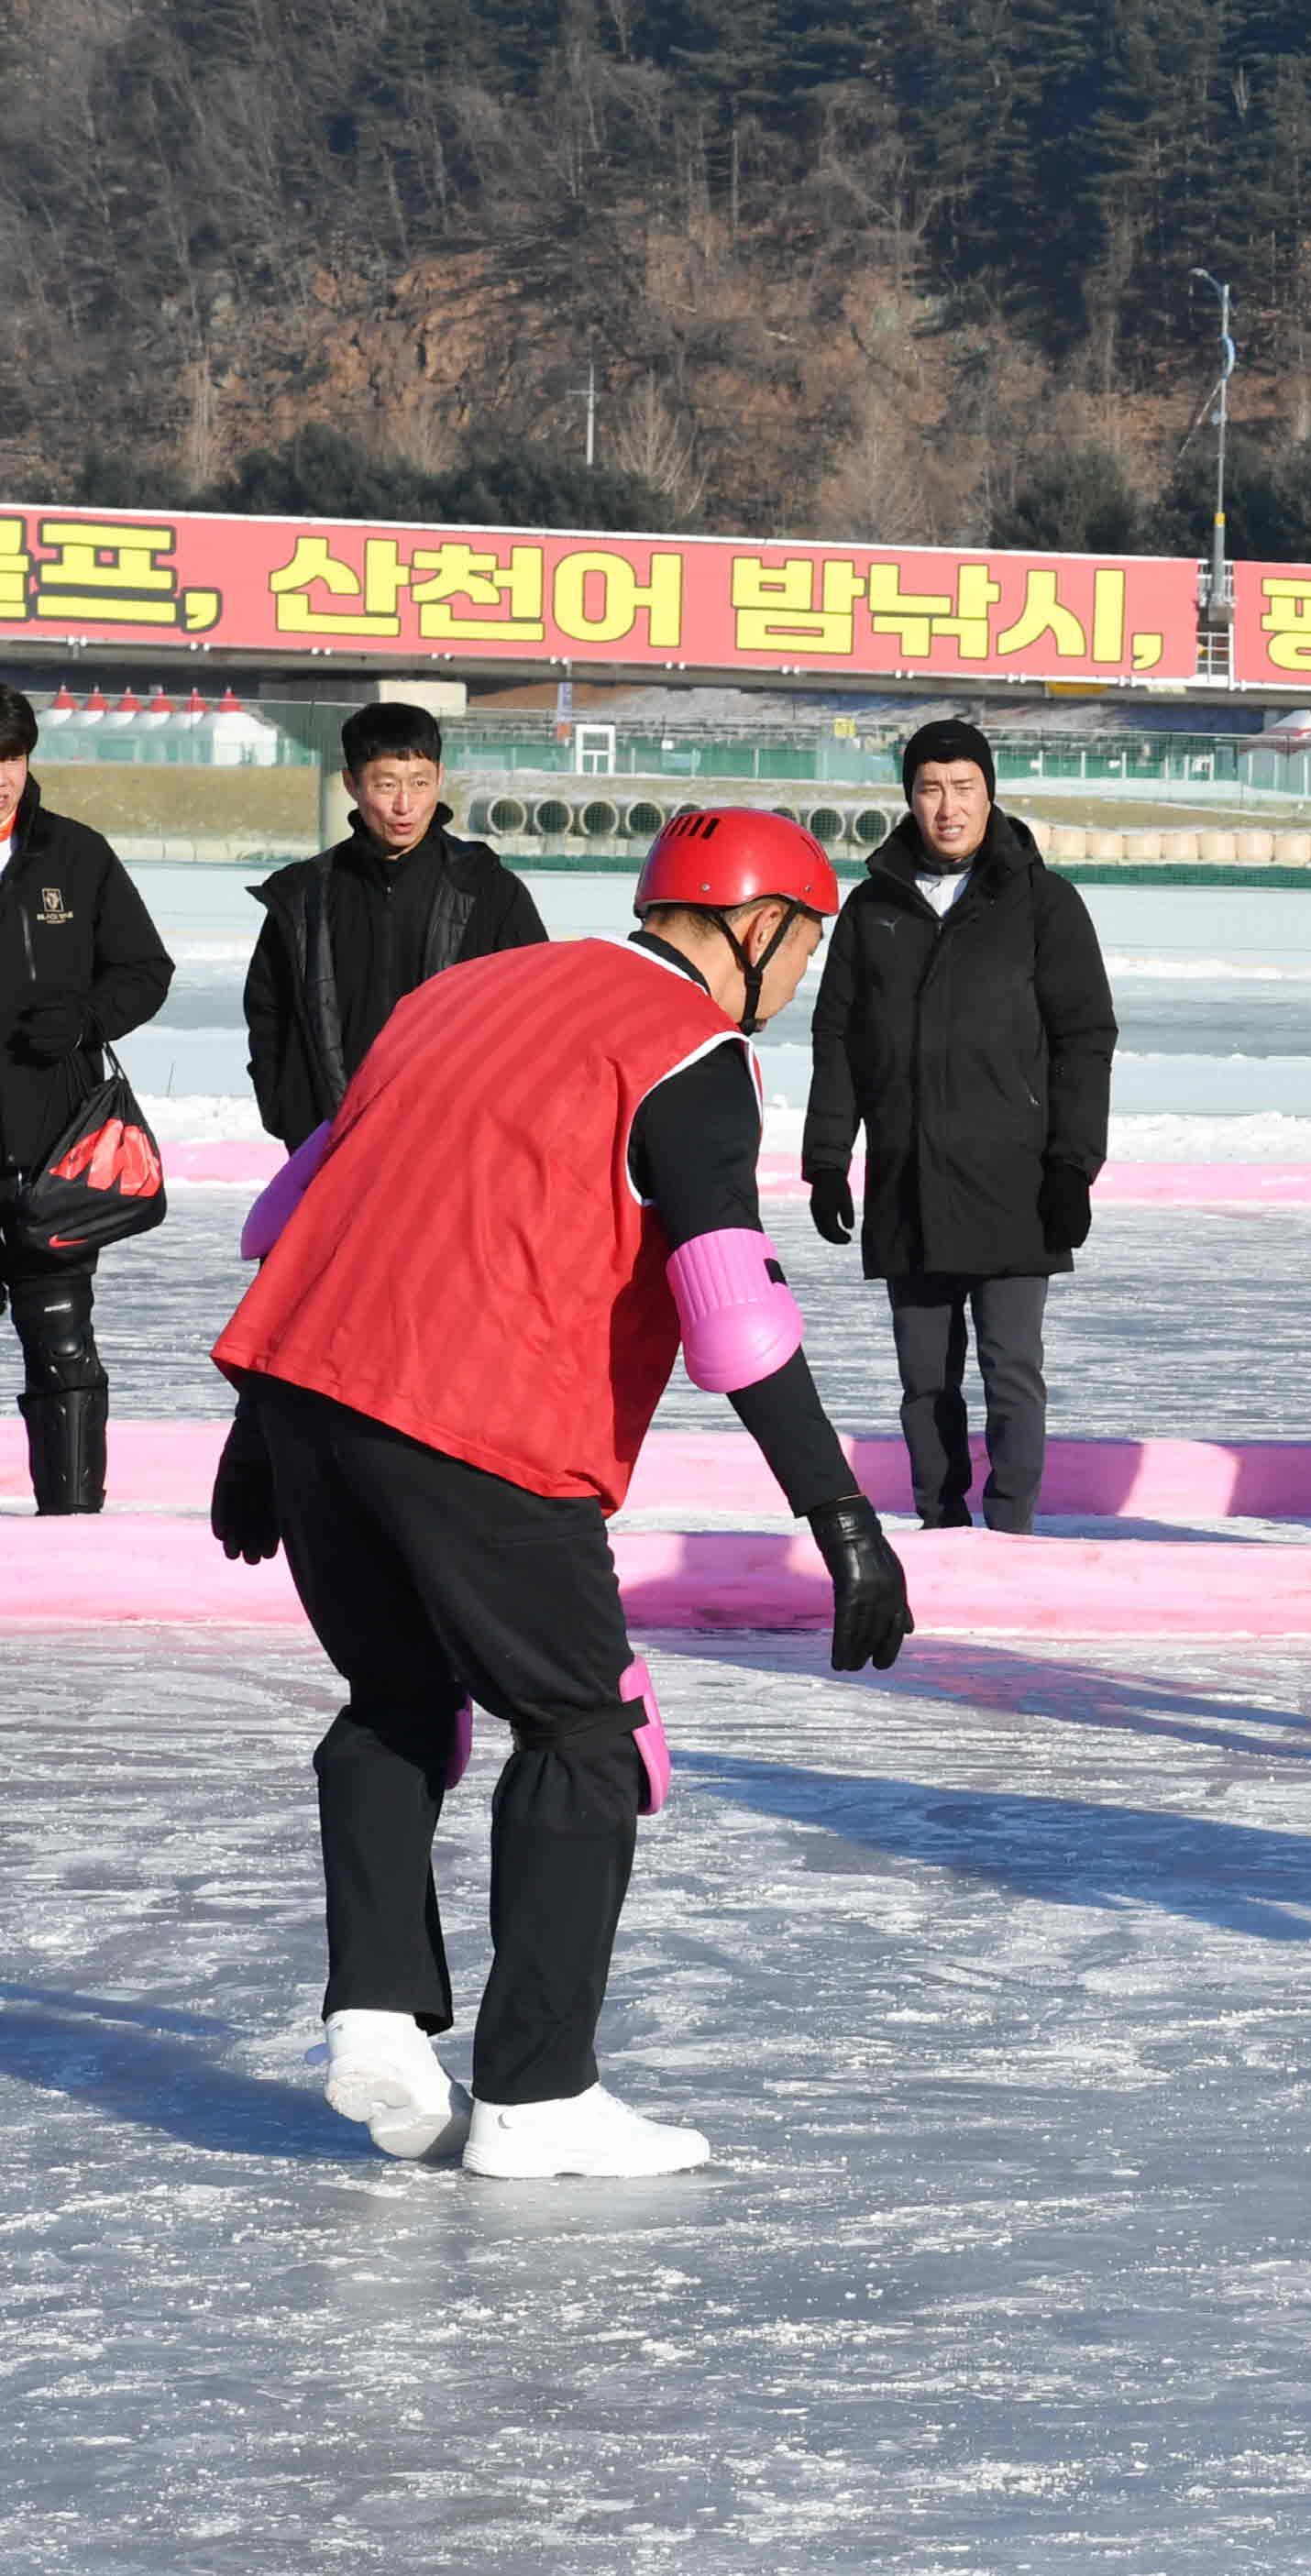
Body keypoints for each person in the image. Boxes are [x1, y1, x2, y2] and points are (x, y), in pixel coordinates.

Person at [211, 809, 915, 2180]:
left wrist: (258, 1430)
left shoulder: (464, 991)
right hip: (479, 1424)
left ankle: (377, 2015)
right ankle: (538, 2095)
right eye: (808, 947)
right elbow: (733, 1315)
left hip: (310, 1388)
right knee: (588, 1731)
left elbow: (303, 1208)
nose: (802, 979)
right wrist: (841, 1518)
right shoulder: (692, 1055)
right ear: (757, 925)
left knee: (397, 1698)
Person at [801, 718, 1118, 1533]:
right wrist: (828, 1160)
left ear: (990, 793)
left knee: (1012, 1372)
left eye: (964, 788)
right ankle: (940, 1527)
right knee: (924, 1381)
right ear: (909, 798)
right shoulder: (872, 907)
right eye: (930, 789)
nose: (948, 808)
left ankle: (1011, 1528)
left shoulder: (1044, 903)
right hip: (907, 1176)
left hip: (1016, 1180)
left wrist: (1072, 1167)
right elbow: (838, 1037)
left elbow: (1084, 1039)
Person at [0, 682, 171, 1516]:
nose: (1, 776)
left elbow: (145, 970)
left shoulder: (77, 854)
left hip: (53, 1149)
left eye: (12, 757)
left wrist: (85, 1021)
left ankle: (72, 1522)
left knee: (63, 1342)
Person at [241, 699, 547, 1151]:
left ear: (439, 777)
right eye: (385, 785)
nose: (404, 805)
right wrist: (289, 1114)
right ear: (351, 784)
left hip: (454, 1142)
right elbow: (268, 1013)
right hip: (330, 1141)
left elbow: (536, 1015)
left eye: (419, 783)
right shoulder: (304, 896)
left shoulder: (489, 890)